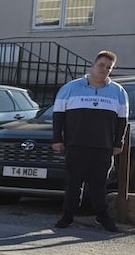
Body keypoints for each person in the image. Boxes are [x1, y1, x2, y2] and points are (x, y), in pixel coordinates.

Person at [51, 50, 129, 232]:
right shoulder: (70, 88)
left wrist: (118, 143)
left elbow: (121, 121)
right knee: (73, 183)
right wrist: (57, 139)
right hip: (76, 145)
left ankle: (102, 216)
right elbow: (58, 116)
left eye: (109, 68)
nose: (104, 70)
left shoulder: (118, 91)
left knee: (99, 184)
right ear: (92, 65)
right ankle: (68, 216)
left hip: (103, 147)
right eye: (101, 65)